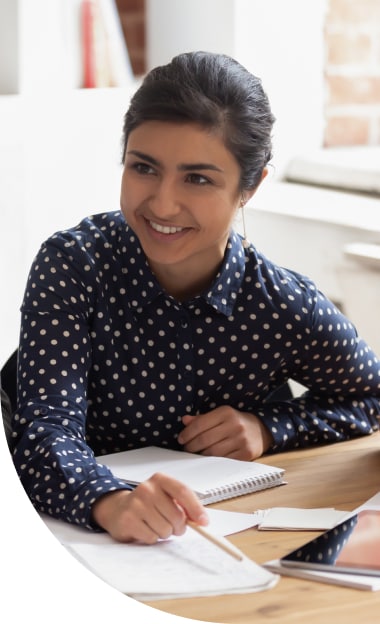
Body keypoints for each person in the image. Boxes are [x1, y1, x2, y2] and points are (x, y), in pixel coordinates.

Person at [11, 51, 380, 545]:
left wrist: (269, 428)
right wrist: (109, 500)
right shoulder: (73, 265)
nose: (162, 203)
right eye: (143, 167)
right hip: (67, 535)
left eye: (198, 178)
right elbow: (43, 431)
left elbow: (371, 396)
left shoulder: (281, 305)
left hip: (220, 539)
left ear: (250, 187)